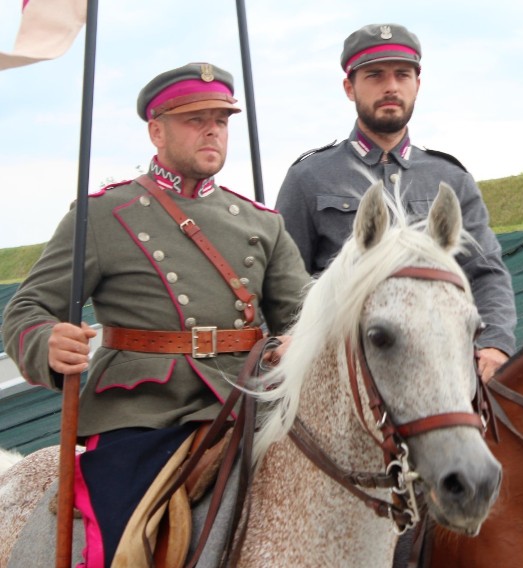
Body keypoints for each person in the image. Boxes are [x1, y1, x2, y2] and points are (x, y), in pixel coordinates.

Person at [2, 62, 310, 567]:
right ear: (156, 129)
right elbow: (27, 310)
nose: (212, 129)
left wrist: (299, 340)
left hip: (248, 397)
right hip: (146, 408)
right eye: (195, 119)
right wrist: (47, 344)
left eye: (221, 119)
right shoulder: (103, 214)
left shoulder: (262, 223)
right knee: (124, 538)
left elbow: (300, 315)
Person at [276, 23, 517, 382]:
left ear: (417, 85)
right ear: (349, 87)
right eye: (374, 75)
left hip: (442, 370)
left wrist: (496, 341)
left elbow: (485, 271)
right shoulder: (308, 178)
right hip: (343, 375)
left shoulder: (451, 178)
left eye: (402, 75)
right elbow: (285, 281)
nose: (391, 87)